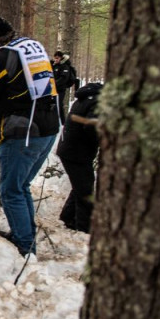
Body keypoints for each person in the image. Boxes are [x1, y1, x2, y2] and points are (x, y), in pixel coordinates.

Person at [0, 16, 60, 257]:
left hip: (23, 131)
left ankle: (24, 245)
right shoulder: (31, 46)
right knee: (21, 187)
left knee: (10, 190)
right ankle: (24, 237)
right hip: (47, 127)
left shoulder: (3, 56)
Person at [57, 82, 102, 233]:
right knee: (85, 192)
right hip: (77, 152)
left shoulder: (87, 98)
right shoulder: (97, 102)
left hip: (71, 149)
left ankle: (67, 218)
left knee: (81, 186)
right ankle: (84, 229)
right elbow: (91, 127)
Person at [52, 51, 76, 124]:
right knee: (56, 105)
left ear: (61, 58)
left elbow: (63, 78)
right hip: (53, 89)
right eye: (55, 58)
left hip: (61, 89)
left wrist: (54, 84)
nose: (56, 59)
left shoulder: (65, 66)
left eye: (57, 58)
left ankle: (61, 122)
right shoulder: (54, 65)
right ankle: (61, 122)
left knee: (58, 104)